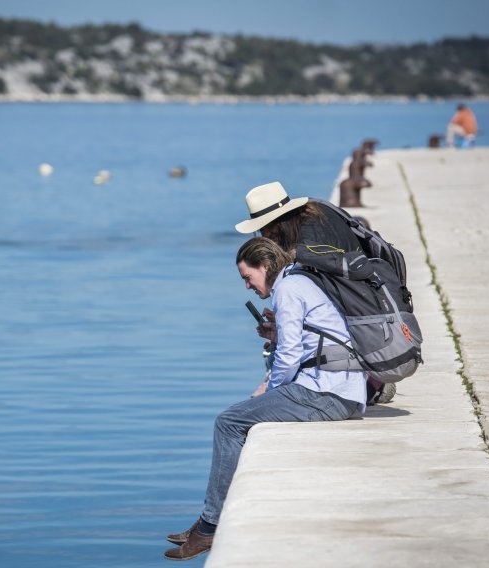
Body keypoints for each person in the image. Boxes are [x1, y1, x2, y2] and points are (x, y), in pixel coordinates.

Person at [163, 237, 367, 561]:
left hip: (328, 392)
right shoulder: (300, 281)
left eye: (248, 277)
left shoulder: (287, 290)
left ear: (266, 266)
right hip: (341, 387)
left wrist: (267, 392)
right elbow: (304, 344)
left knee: (229, 422)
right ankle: (207, 520)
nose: (246, 286)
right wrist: (276, 336)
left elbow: (288, 358)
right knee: (240, 416)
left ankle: (210, 526)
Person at [235, 181, 396, 405]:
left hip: (360, 343)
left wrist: (286, 325)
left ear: (281, 221)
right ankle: (373, 381)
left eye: (267, 228)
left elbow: (330, 309)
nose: (265, 235)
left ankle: (374, 384)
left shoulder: (308, 247)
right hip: (372, 319)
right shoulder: (319, 218)